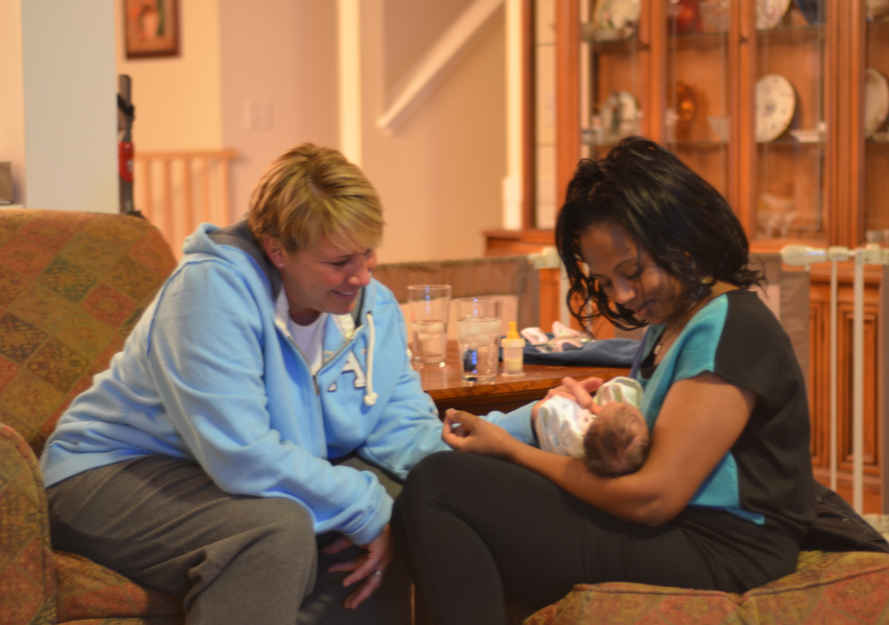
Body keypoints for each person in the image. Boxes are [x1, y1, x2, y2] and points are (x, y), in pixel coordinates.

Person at [39, 143, 536, 625]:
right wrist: (364, 506)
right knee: (276, 529)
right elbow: (242, 454)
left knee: (406, 495)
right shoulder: (210, 291)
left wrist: (531, 432)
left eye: (368, 252)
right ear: (277, 249)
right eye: (339, 262)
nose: (361, 276)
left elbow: (404, 431)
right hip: (110, 472)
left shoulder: (372, 307)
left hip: (216, 475)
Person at [394, 136, 816, 624]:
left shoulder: (733, 326)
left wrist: (513, 451)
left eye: (633, 272)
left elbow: (654, 497)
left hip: (725, 547)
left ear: (682, 237)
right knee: (446, 489)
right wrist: (589, 417)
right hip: (685, 530)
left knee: (439, 484)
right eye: (606, 281)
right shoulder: (672, 321)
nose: (623, 295)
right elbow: (649, 448)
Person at [534, 377, 649, 477]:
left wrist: (589, 406)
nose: (610, 402)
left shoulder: (572, 432)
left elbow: (549, 406)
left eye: (603, 411)